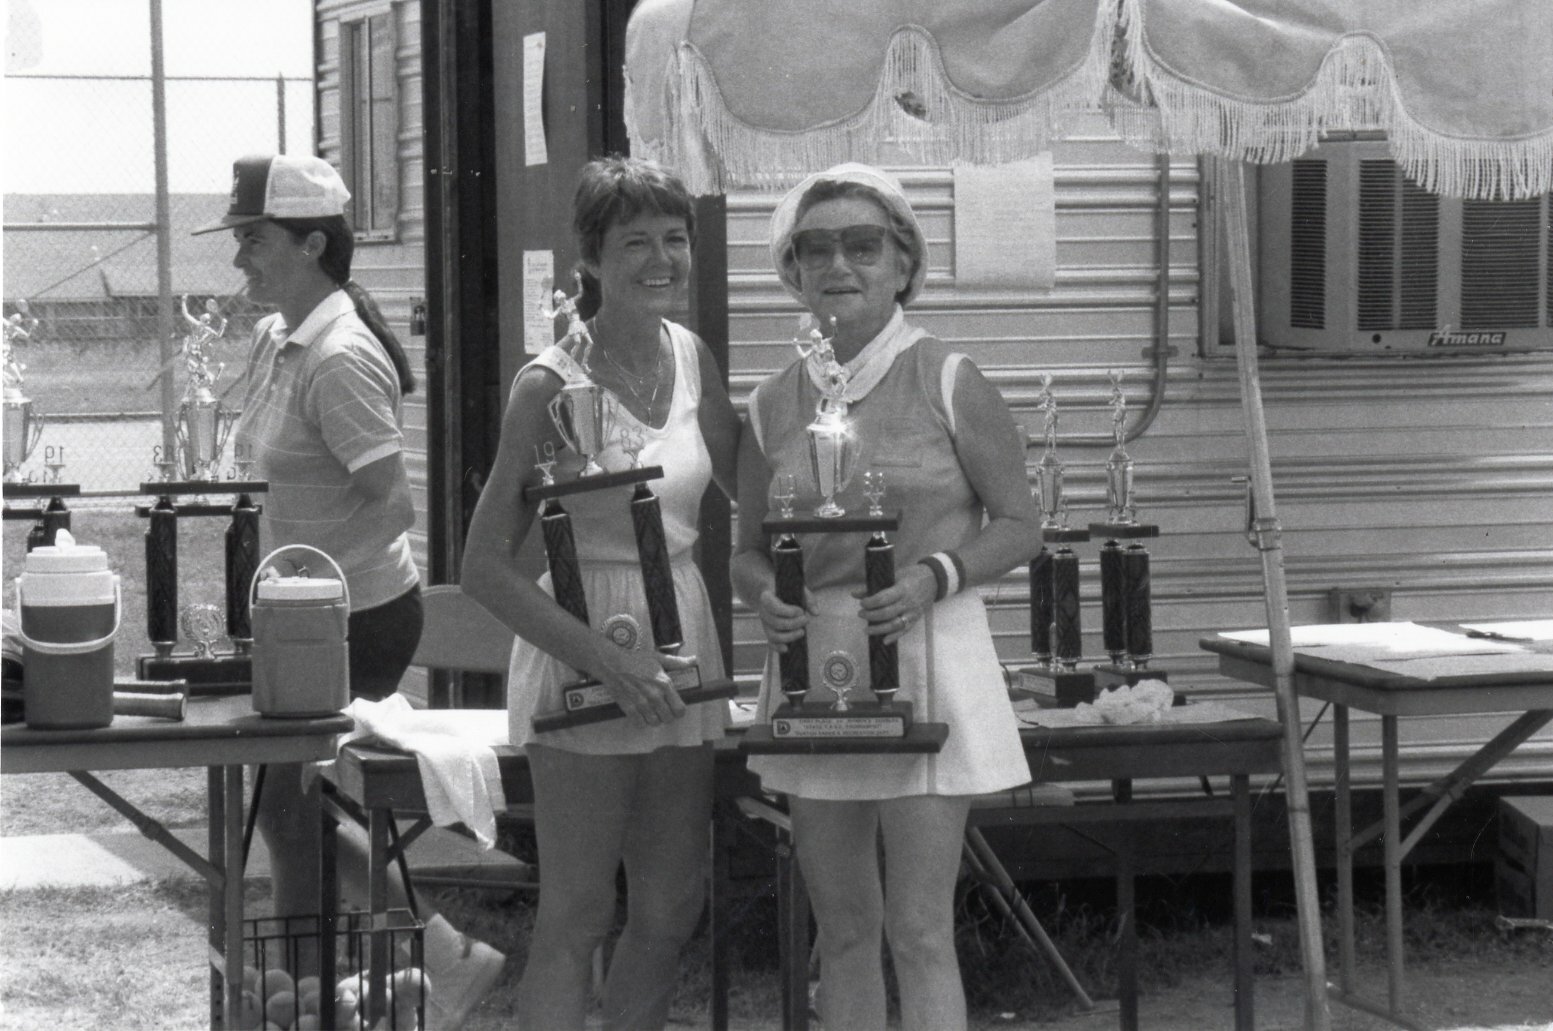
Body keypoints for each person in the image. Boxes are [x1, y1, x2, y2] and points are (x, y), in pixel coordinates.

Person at [193, 153, 503, 1029]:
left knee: (291, 810)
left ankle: (434, 957)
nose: (239, 258)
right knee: (288, 813)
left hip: (354, 619)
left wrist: (310, 594)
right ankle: (337, 989)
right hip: (305, 621)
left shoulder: (340, 356)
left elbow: (392, 505)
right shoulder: (280, 340)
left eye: (253, 239)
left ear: (313, 243)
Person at [730, 163, 1040, 1031]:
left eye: (863, 245)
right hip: (810, 674)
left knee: (918, 928)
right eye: (815, 247)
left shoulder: (947, 375)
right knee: (843, 929)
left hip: (930, 662)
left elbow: (1019, 522)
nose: (840, 264)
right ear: (790, 270)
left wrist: (929, 577)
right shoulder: (768, 400)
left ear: (903, 262)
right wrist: (764, 596)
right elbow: (745, 553)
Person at [461, 155, 740, 1031]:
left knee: (669, 907)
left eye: (674, 237)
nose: (661, 258)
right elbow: (484, 567)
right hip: (582, 652)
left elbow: (755, 502)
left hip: (684, 642)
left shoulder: (693, 358)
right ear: (589, 259)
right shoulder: (548, 384)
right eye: (635, 242)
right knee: (577, 911)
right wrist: (606, 661)